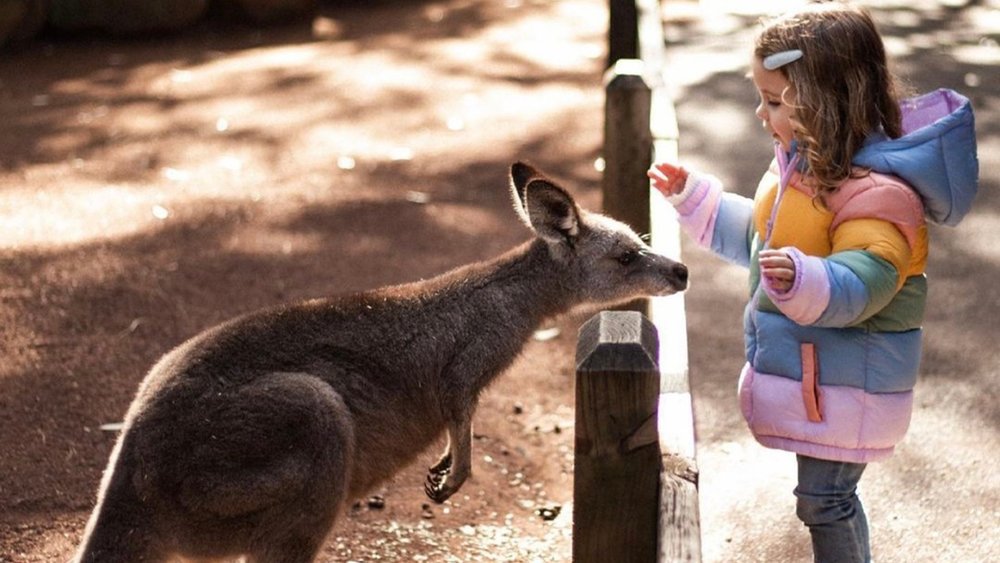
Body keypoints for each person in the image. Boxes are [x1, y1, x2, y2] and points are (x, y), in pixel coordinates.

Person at [647, 2, 979, 562]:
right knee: (824, 498)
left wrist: (807, 277)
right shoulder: (800, 171)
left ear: (825, 102)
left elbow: (867, 279)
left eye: (774, 101)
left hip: (852, 382)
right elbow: (762, 244)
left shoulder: (880, 192)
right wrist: (695, 198)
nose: (761, 113)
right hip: (825, 379)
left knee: (826, 500)